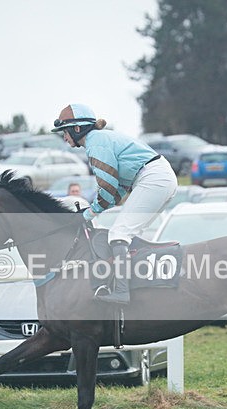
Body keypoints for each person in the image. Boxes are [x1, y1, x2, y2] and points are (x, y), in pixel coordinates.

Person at [52, 103, 178, 305]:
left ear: (77, 128)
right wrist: (93, 209)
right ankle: (140, 285)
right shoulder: (99, 140)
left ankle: (121, 291)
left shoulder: (95, 143)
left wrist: (88, 214)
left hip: (154, 178)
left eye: (65, 132)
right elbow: (116, 191)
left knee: (119, 234)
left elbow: (107, 186)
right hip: (159, 177)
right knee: (128, 235)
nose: (64, 137)